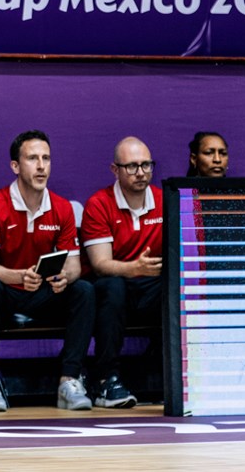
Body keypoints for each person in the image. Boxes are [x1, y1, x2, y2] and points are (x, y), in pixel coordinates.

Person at [0, 130, 95, 413]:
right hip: (6, 291)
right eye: (32, 158)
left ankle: (69, 380)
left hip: (43, 292)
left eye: (46, 158)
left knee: (83, 289)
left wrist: (65, 278)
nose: (41, 166)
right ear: (15, 166)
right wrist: (18, 276)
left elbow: (73, 265)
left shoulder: (61, 208)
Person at [79, 136, 163, 409]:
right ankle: (106, 380)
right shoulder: (99, 204)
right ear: (115, 169)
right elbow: (101, 263)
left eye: (146, 165)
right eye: (132, 167)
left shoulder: (165, 200)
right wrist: (134, 268)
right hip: (116, 287)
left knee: (177, 286)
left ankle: (172, 376)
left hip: (151, 286)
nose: (141, 173)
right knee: (110, 286)